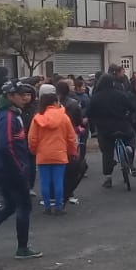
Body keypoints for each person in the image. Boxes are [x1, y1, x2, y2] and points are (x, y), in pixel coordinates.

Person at [0, 82, 41, 260]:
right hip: (11, 169)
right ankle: (23, 248)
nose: (24, 98)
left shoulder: (1, 114)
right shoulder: (8, 117)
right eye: (20, 94)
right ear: (10, 97)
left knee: (10, 205)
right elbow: (7, 146)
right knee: (24, 206)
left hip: (1, 167)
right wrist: (20, 168)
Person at [28, 83, 78, 214]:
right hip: (60, 154)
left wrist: (34, 151)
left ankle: (47, 206)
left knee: (44, 181)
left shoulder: (37, 118)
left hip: (43, 154)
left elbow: (32, 138)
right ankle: (58, 206)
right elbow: (71, 137)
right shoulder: (64, 117)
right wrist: (73, 151)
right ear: (56, 102)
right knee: (58, 181)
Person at [88, 72, 136, 189]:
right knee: (131, 137)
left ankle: (108, 177)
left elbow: (89, 113)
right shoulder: (120, 95)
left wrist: (95, 124)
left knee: (107, 152)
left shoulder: (96, 96)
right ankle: (129, 150)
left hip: (104, 129)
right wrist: (128, 117)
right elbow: (132, 108)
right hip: (122, 125)